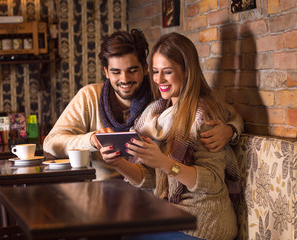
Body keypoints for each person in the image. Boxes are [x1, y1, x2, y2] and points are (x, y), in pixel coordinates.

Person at [43, 29, 243, 180]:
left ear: (145, 68)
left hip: (150, 189)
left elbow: (225, 113)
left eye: (132, 70)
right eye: (115, 72)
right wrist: (92, 140)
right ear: (105, 72)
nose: (124, 79)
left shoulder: (161, 96)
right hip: (103, 189)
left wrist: (231, 131)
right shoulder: (89, 97)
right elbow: (51, 143)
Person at [100, 32, 241, 240]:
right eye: (155, 72)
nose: (159, 79)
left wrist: (165, 163)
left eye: (167, 72)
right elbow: (150, 178)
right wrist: (118, 163)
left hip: (204, 224)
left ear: (186, 72)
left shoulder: (203, 117)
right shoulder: (155, 113)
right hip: (171, 216)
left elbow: (212, 182)